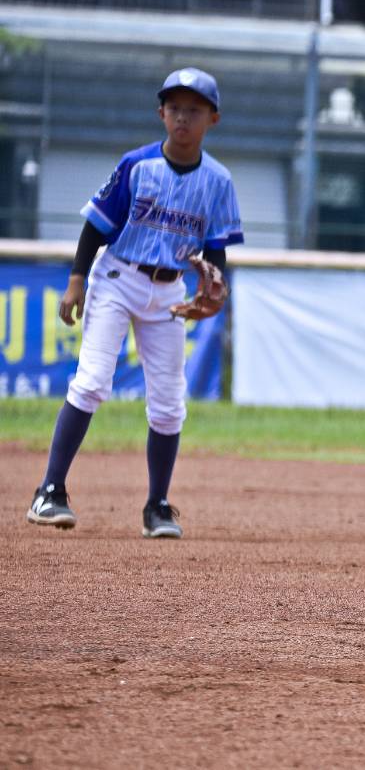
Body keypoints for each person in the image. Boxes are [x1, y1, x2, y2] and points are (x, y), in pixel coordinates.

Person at [25, 68, 244, 538]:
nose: (183, 117)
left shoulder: (219, 181)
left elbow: (216, 249)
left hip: (169, 292)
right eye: (175, 107)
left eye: (195, 109)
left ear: (213, 118)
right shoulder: (137, 165)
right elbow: (96, 226)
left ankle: (157, 506)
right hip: (118, 278)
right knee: (92, 382)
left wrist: (213, 284)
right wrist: (76, 281)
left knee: (168, 405)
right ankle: (49, 491)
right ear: (161, 113)